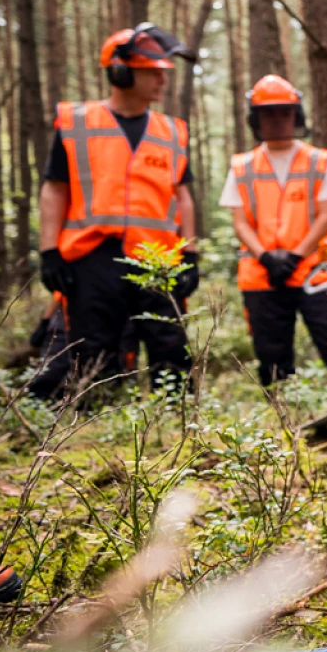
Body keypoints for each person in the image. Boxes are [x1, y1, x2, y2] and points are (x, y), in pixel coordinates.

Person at [34, 24, 199, 400]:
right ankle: (96, 417)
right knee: (93, 345)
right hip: (93, 255)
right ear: (121, 72)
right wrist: (48, 252)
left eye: (164, 73)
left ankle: (177, 416)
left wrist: (190, 253)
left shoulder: (171, 131)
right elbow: (54, 188)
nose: (162, 80)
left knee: (169, 342)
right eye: (153, 72)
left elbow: (183, 196)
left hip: (158, 257)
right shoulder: (77, 122)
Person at [223, 75, 327, 386]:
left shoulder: (320, 161)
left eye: (284, 112)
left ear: (296, 115)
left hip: (314, 270)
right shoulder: (242, 166)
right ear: (255, 118)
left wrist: (295, 255)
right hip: (261, 273)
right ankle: (283, 412)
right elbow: (240, 221)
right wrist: (266, 257)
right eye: (268, 113)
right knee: (271, 352)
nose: (277, 120)